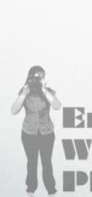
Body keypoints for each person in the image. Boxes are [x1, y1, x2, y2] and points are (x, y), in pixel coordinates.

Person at [11, 65, 61, 195]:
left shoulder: (48, 92)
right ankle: (31, 188)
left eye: (42, 77)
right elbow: (14, 110)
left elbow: (57, 106)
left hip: (47, 133)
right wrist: (23, 94)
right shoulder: (24, 92)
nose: (38, 80)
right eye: (36, 77)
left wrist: (44, 89)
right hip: (28, 133)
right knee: (31, 162)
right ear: (29, 77)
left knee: (47, 162)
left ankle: (51, 189)